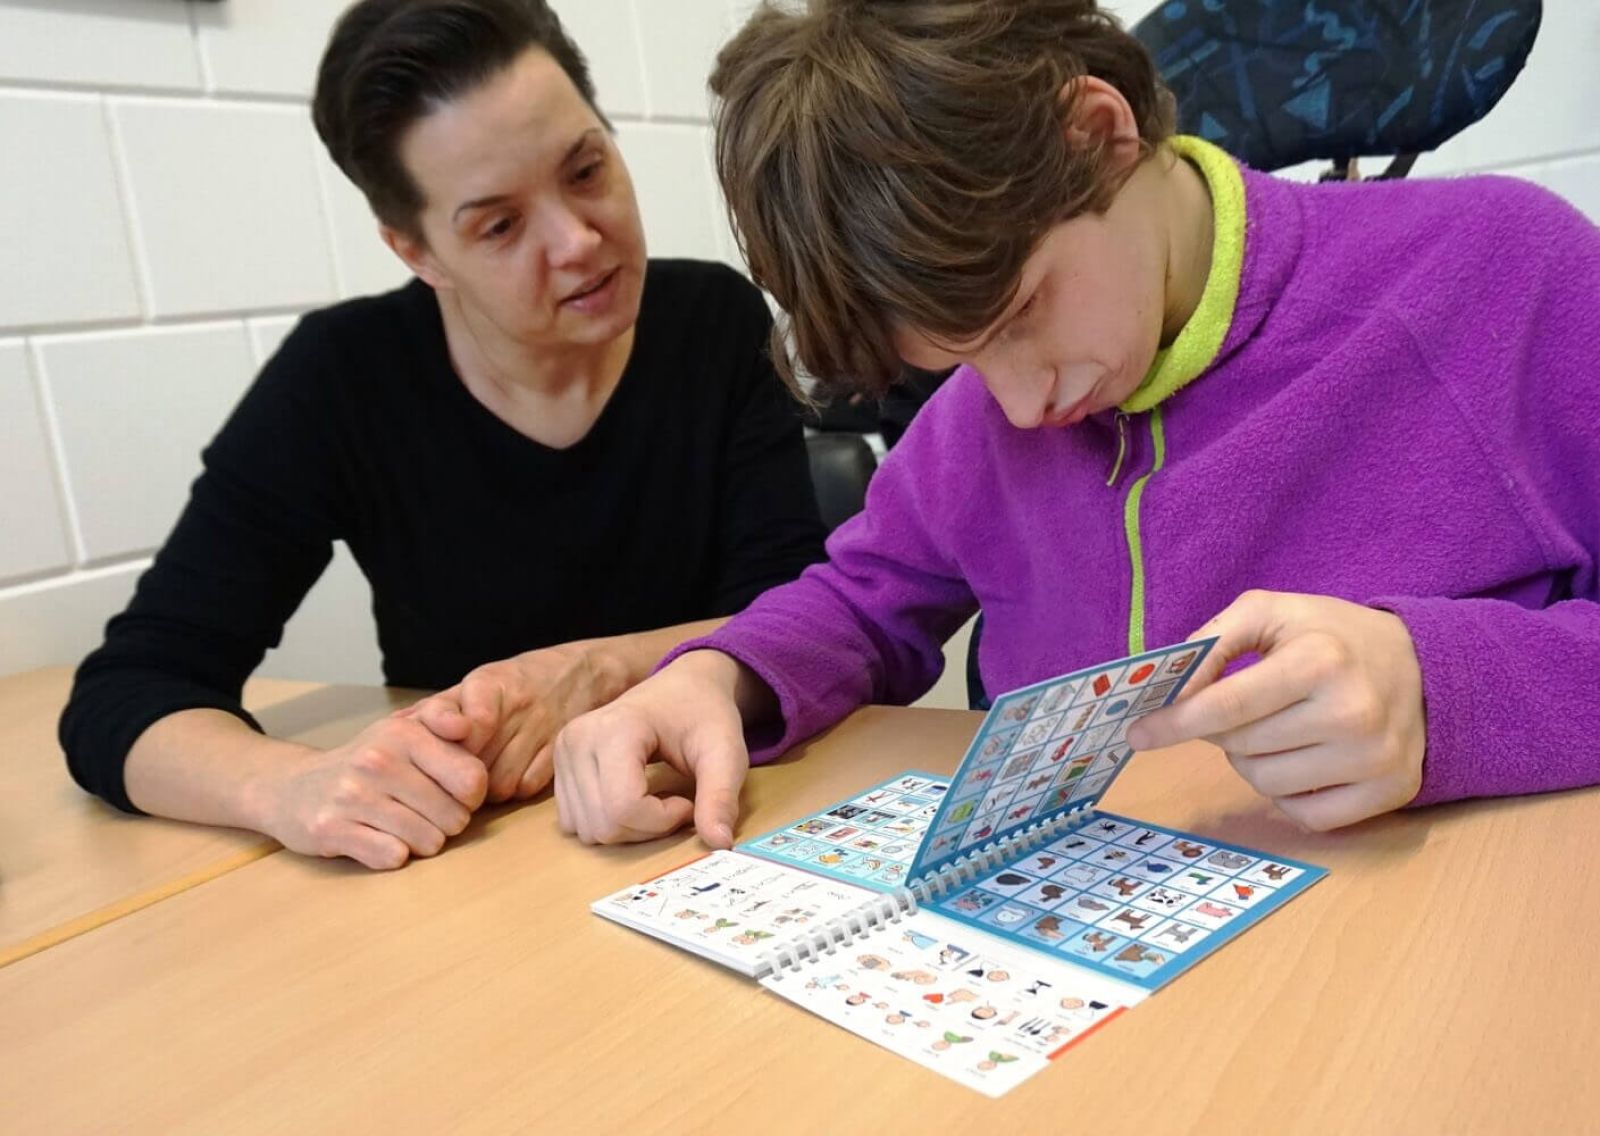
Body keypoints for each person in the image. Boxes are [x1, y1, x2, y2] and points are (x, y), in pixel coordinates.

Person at [548, 0, 1600, 848]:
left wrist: (1443, 690)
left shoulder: (1503, 271)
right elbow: (861, 600)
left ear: (1098, 135)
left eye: (1020, 315)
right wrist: (711, 675)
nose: (1016, 403)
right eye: (957, 359)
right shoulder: (980, 416)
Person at [58, 0, 826, 869]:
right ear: (416, 250)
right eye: (499, 225)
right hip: (463, 863)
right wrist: (285, 787)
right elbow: (128, 690)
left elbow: (800, 617)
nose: (578, 240)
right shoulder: (341, 379)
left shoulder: (712, 319)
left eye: (586, 169)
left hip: (701, 828)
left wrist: (597, 672)